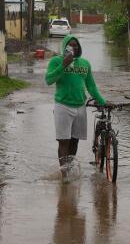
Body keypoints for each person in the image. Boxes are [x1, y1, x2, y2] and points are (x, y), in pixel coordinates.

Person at [45, 34, 106, 171]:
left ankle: (70, 168)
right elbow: (48, 80)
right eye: (70, 45)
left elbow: (91, 86)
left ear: (79, 47)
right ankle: (64, 176)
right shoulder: (56, 61)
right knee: (63, 142)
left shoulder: (85, 63)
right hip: (63, 106)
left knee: (75, 141)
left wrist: (102, 101)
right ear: (65, 46)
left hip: (80, 107)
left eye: (75, 45)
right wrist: (64, 65)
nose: (73, 47)